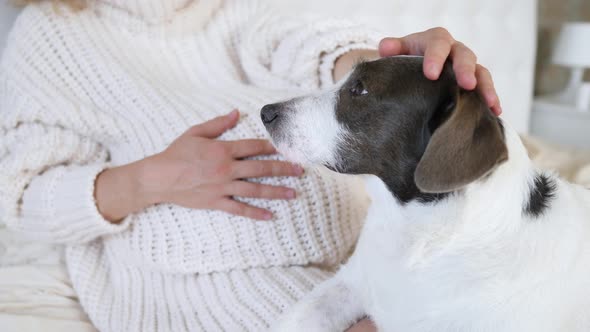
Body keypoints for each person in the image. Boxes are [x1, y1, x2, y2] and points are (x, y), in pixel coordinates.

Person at [0, 0, 501, 331]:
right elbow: (23, 194)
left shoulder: (231, 5)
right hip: (202, 277)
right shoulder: (48, 34)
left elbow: (310, 48)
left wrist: (394, 76)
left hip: (361, 242)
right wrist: (159, 177)